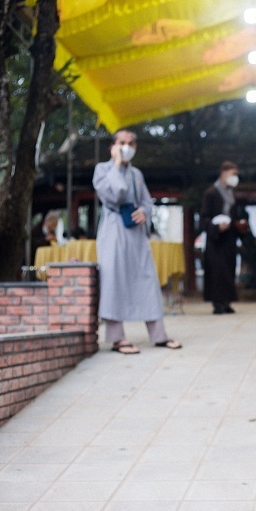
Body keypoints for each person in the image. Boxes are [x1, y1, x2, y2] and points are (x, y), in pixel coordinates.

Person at [92, 129, 182, 354]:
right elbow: (117, 194)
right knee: (114, 281)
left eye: (131, 143)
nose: (127, 147)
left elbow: (147, 202)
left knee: (148, 279)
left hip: (135, 233)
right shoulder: (102, 170)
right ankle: (117, 339)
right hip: (113, 231)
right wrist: (116, 164)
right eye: (122, 143)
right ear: (113, 146)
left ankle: (159, 335)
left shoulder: (137, 174)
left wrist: (144, 212)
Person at [201, 161, 250, 315]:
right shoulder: (211, 193)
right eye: (233, 174)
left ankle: (227, 301)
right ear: (223, 173)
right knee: (216, 271)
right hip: (215, 239)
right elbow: (204, 218)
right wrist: (215, 227)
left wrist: (238, 225)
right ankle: (217, 302)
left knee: (229, 269)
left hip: (229, 238)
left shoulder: (231, 194)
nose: (235, 178)